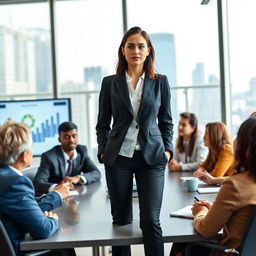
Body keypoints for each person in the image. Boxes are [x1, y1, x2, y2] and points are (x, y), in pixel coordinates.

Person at [96, 26, 173, 256]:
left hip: (152, 157)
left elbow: (166, 121)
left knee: (150, 220)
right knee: (121, 222)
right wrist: (103, 151)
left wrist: (167, 150)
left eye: (141, 46)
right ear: (123, 50)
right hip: (118, 158)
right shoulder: (110, 82)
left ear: (148, 50)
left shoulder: (160, 82)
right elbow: (102, 123)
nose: (136, 50)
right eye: (131, 46)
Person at [170, 117, 256, 256]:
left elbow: (206, 230)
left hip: (230, 252)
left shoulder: (235, 185)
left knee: (184, 243)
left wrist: (201, 211)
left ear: (244, 144)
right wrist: (215, 208)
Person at [0, 120, 75, 256]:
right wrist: (52, 219)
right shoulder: (15, 182)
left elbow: (26, 205)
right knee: (65, 246)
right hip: (17, 250)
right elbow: (43, 229)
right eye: (31, 147)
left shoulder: (5, 178)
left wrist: (56, 194)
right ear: (24, 155)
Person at [34, 121, 101, 195]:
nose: (71, 140)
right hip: (56, 198)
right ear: (60, 139)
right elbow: (38, 182)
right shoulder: (49, 156)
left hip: (76, 196)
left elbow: (96, 173)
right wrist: (58, 187)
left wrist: (78, 178)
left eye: (74, 136)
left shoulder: (81, 151)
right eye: (66, 137)